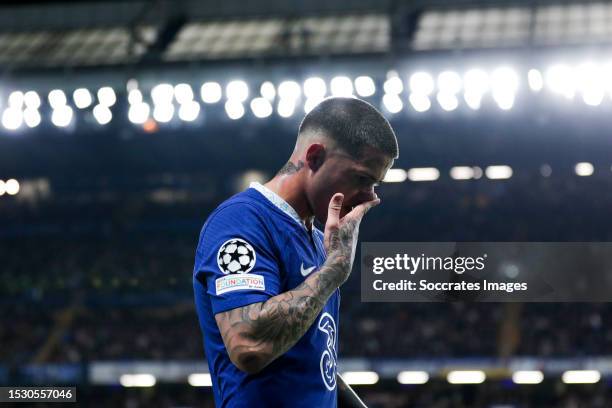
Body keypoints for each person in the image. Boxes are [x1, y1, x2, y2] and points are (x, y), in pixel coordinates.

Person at [193, 96, 399, 407]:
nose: (371, 197)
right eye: (362, 178)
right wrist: (333, 271)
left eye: (376, 185)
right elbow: (249, 344)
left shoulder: (320, 242)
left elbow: (315, 363)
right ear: (315, 157)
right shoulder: (241, 220)